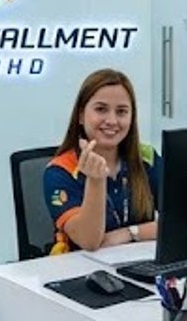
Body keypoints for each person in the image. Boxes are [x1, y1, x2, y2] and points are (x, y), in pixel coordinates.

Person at [42, 69, 160, 253]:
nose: (112, 120)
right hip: (82, 267)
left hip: (140, 261)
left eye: (121, 112)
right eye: (101, 109)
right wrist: (96, 180)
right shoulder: (59, 171)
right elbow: (89, 241)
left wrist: (130, 233)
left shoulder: (146, 157)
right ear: (81, 115)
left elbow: (181, 220)